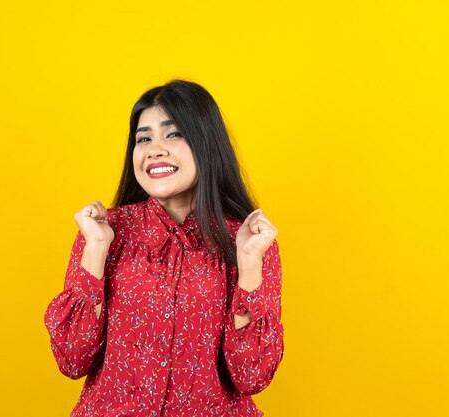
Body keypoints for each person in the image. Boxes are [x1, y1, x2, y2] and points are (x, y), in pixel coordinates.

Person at [44, 80, 284, 417]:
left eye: (173, 134)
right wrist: (97, 248)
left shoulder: (247, 242)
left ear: (206, 144)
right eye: (144, 138)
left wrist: (248, 264)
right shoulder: (104, 232)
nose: (154, 149)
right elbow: (71, 358)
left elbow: (251, 375)